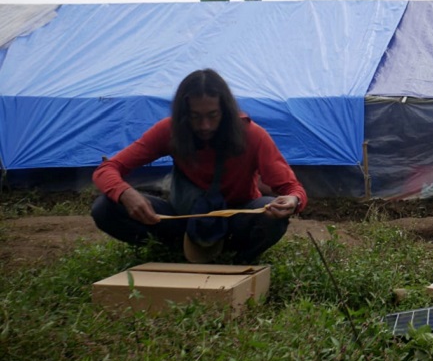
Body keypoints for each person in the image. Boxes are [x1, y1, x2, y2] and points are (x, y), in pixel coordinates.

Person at [91, 68, 306, 264]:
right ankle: (176, 251)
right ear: (184, 115)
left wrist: (292, 201)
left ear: (226, 111)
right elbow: (106, 169)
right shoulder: (170, 131)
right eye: (195, 117)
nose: (205, 126)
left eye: (213, 115)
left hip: (235, 223)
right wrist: (126, 194)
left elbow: (292, 189)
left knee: (271, 214)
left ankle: (238, 259)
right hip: (183, 221)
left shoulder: (252, 135)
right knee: (105, 208)